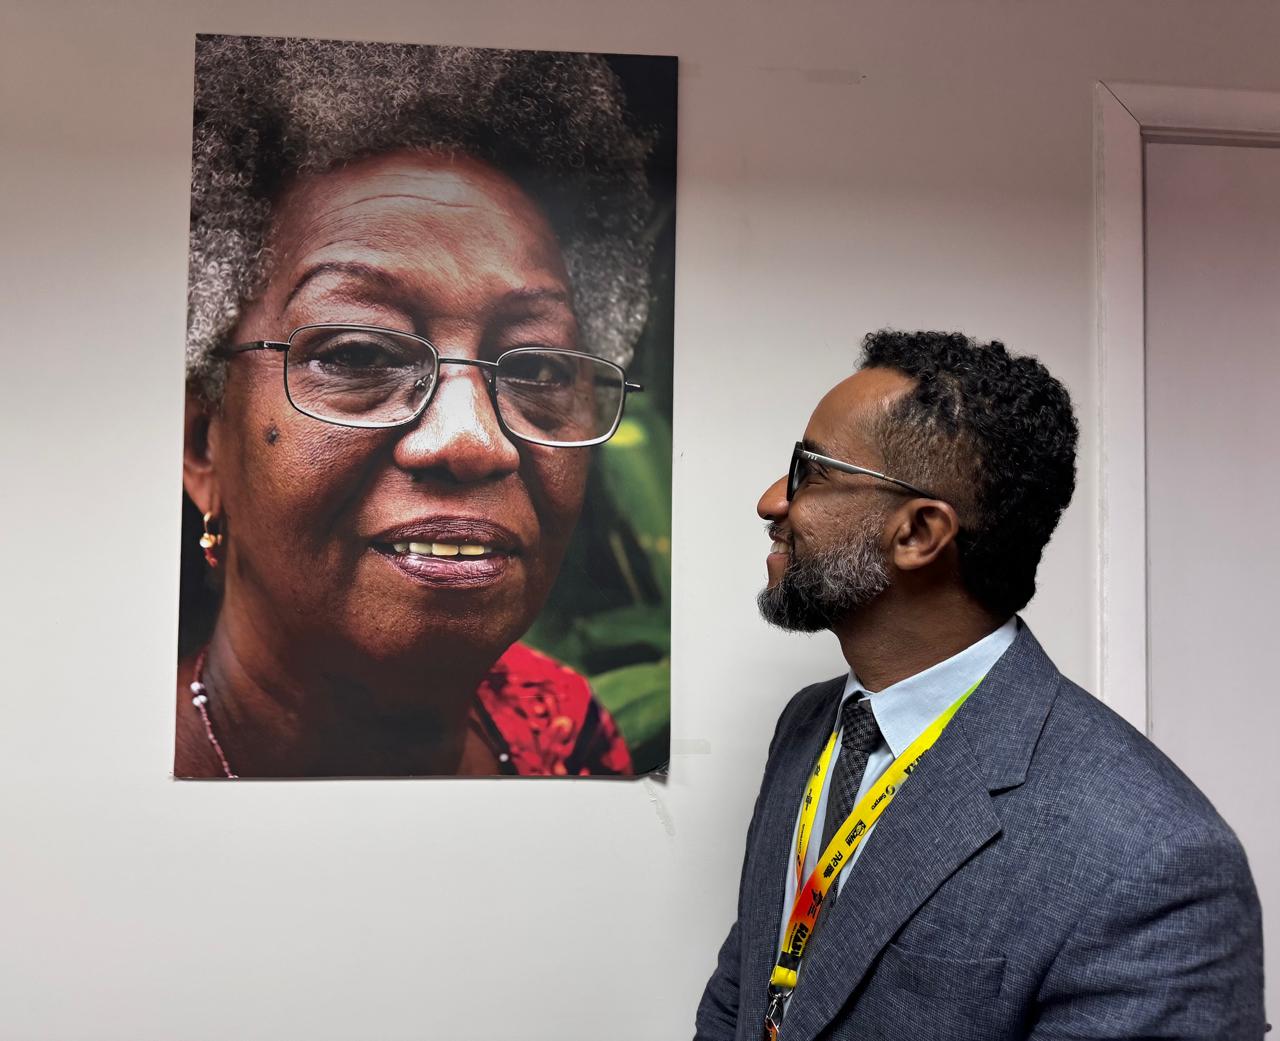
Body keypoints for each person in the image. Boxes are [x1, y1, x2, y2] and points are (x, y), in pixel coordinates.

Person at [695, 331, 1266, 1039]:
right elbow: (748, 990)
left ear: (918, 533)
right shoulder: (809, 724)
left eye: (808, 472)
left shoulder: (1151, 857)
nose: (771, 501)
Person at [175, 35, 661, 778]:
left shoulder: (566, 735)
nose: (473, 440)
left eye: (536, 367)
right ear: (202, 443)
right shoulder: (73, 792)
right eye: (359, 356)